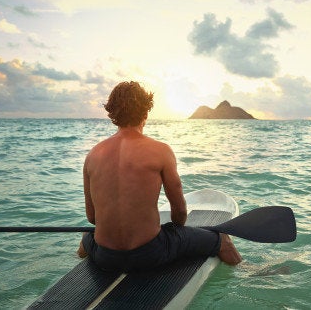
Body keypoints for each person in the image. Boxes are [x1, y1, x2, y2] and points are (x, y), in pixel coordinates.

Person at [77, 81, 241, 272]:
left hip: (105, 257)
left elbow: (92, 218)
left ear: (112, 113)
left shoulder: (92, 155)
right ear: (146, 113)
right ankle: (253, 274)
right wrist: (174, 230)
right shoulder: (161, 151)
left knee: (86, 237)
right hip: (149, 254)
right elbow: (179, 213)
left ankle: (80, 265)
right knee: (222, 241)